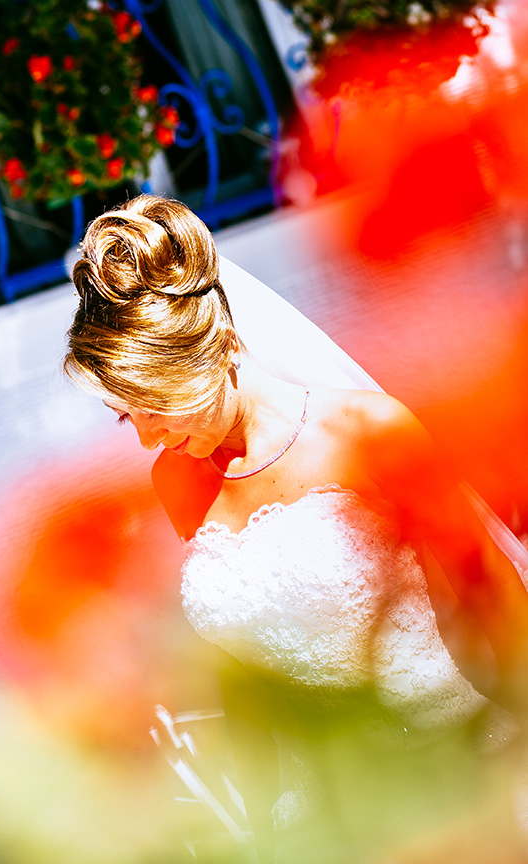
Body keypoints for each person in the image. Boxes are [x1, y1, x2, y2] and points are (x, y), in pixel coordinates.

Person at [65, 194, 528, 863]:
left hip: (444, 774)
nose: (145, 438)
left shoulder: (366, 431)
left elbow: (493, 603)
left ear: (215, 350)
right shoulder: (176, 481)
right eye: (124, 415)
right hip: (314, 816)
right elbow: (236, 681)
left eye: (156, 405)